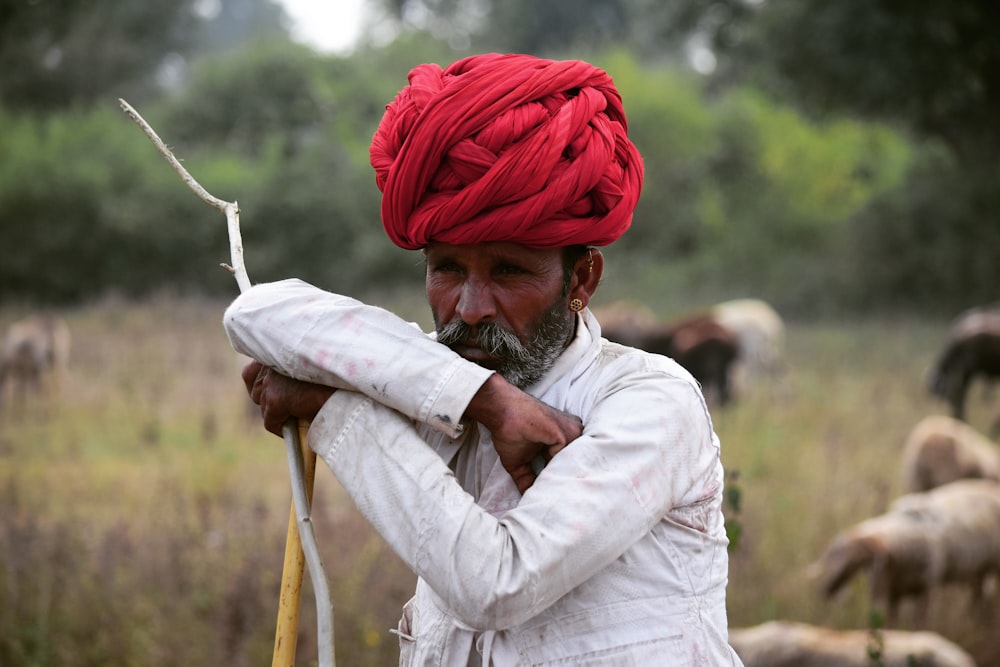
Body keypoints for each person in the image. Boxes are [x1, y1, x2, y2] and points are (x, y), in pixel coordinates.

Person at [224, 53, 743, 666]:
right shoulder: (436, 380)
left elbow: (499, 583)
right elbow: (255, 317)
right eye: (446, 268)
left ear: (583, 277)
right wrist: (487, 400)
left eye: (508, 271)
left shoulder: (649, 400)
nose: (469, 308)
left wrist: (335, 409)